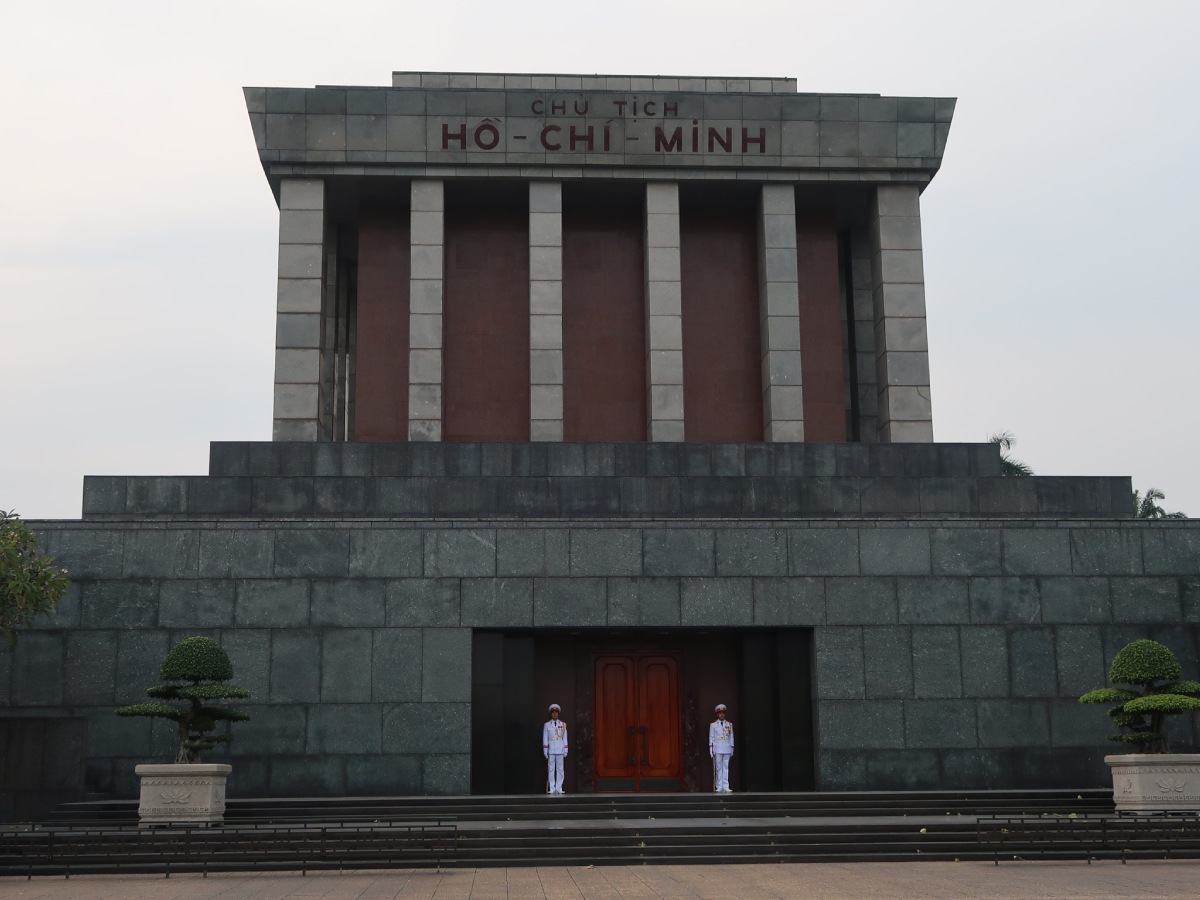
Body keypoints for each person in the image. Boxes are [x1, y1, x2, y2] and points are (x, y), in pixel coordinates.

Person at [542, 703, 569, 794]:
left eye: (556, 712)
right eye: (553, 712)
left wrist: (566, 750)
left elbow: (565, 737)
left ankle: (559, 787)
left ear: (558, 713)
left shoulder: (563, 724)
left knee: (560, 769)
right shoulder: (547, 725)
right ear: (551, 713)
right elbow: (545, 738)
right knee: (551, 769)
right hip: (551, 750)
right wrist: (545, 750)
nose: (555, 714)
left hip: (560, 749)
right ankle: (552, 787)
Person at [708, 703, 734, 793]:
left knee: (726, 767)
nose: (722, 714)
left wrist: (732, 748)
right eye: (720, 713)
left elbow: (731, 737)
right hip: (718, 747)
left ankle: (726, 785)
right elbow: (711, 738)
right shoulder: (713, 725)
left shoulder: (729, 724)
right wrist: (711, 750)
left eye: (723, 713)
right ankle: (719, 786)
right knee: (719, 767)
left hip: (726, 746)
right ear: (717, 714)